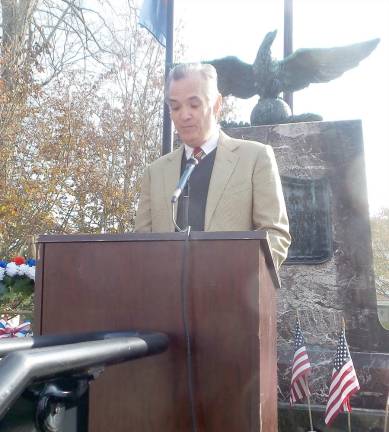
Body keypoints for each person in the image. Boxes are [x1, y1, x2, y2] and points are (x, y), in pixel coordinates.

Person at [135, 62, 291, 270]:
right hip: (166, 299)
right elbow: (139, 247)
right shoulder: (154, 173)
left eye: (194, 104)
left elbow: (275, 235)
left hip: (233, 297)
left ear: (217, 105)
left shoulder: (255, 158)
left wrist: (238, 277)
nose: (184, 115)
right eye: (175, 106)